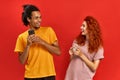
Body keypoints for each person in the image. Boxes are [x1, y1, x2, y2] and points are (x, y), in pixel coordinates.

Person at [14, 4, 61, 80]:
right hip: (31, 76)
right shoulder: (21, 37)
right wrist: (28, 45)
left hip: (49, 75)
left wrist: (42, 42)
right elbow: (22, 61)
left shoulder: (49, 31)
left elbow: (58, 52)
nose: (40, 20)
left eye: (40, 17)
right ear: (29, 19)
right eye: (36, 18)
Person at [65, 16, 104, 80]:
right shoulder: (77, 41)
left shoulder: (98, 47)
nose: (81, 27)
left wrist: (81, 55)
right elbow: (71, 60)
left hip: (84, 77)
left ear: (90, 28)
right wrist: (71, 53)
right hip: (71, 75)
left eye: (83, 26)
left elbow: (94, 67)